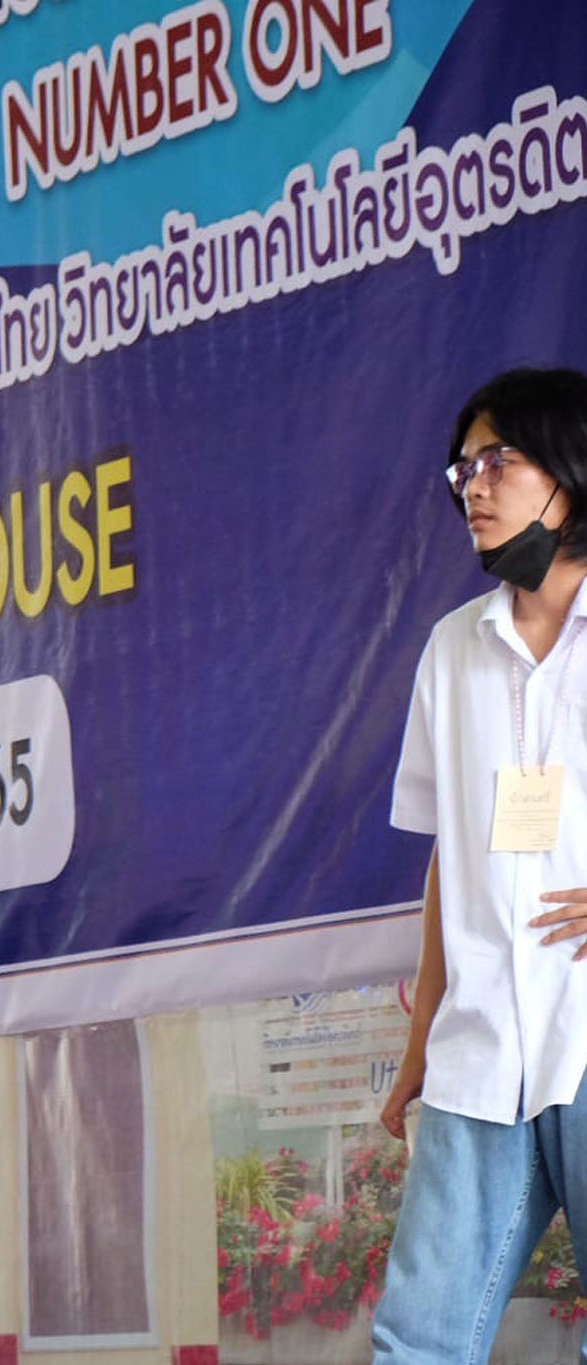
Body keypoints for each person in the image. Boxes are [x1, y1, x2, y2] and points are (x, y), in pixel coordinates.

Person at [378, 367, 587, 1362]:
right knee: (414, 1343)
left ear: (569, 471)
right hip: (476, 1056)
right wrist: (418, 1046)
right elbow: (444, 868)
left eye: (496, 460)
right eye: (461, 466)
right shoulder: (446, 651)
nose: (471, 484)